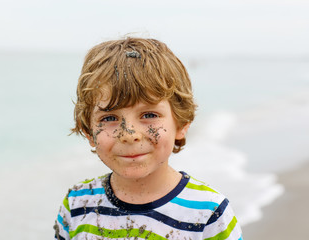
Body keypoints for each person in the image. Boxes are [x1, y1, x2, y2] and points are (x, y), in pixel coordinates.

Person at [54, 37, 243, 240]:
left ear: (181, 124)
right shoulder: (76, 205)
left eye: (149, 115)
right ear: (89, 132)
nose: (129, 135)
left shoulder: (208, 213)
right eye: (109, 118)